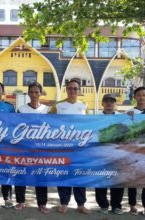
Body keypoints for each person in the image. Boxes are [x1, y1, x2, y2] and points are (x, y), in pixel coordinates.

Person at [49, 79, 90, 214]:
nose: (72, 91)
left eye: (75, 88)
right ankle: (64, 203)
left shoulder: (84, 106)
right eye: (70, 88)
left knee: (79, 174)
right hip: (62, 147)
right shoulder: (58, 106)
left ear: (79, 90)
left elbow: (90, 125)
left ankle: (81, 204)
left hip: (80, 148)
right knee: (64, 175)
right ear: (66, 90)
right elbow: (48, 123)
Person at [14, 82, 50, 213]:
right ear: (28, 93)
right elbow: (16, 128)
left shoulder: (47, 110)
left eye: (36, 92)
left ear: (40, 93)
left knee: (41, 176)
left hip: (41, 149)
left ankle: (42, 203)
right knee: (21, 175)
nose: (34, 94)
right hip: (23, 148)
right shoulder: (21, 109)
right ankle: (20, 201)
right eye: (31, 92)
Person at [126, 86, 145, 217]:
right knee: (132, 179)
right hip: (133, 150)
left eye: (144, 95)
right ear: (135, 97)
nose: (141, 97)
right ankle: (132, 206)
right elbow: (124, 131)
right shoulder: (129, 112)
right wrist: (128, 119)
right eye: (138, 95)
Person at [95, 94, 124, 215]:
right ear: (102, 103)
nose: (109, 103)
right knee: (101, 179)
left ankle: (116, 205)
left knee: (117, 180)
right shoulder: (95, 118)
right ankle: (103, 205)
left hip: (117, 153)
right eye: (106, 101)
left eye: (112, 101)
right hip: (101, 154)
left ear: (115, 104)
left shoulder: (122, 118)